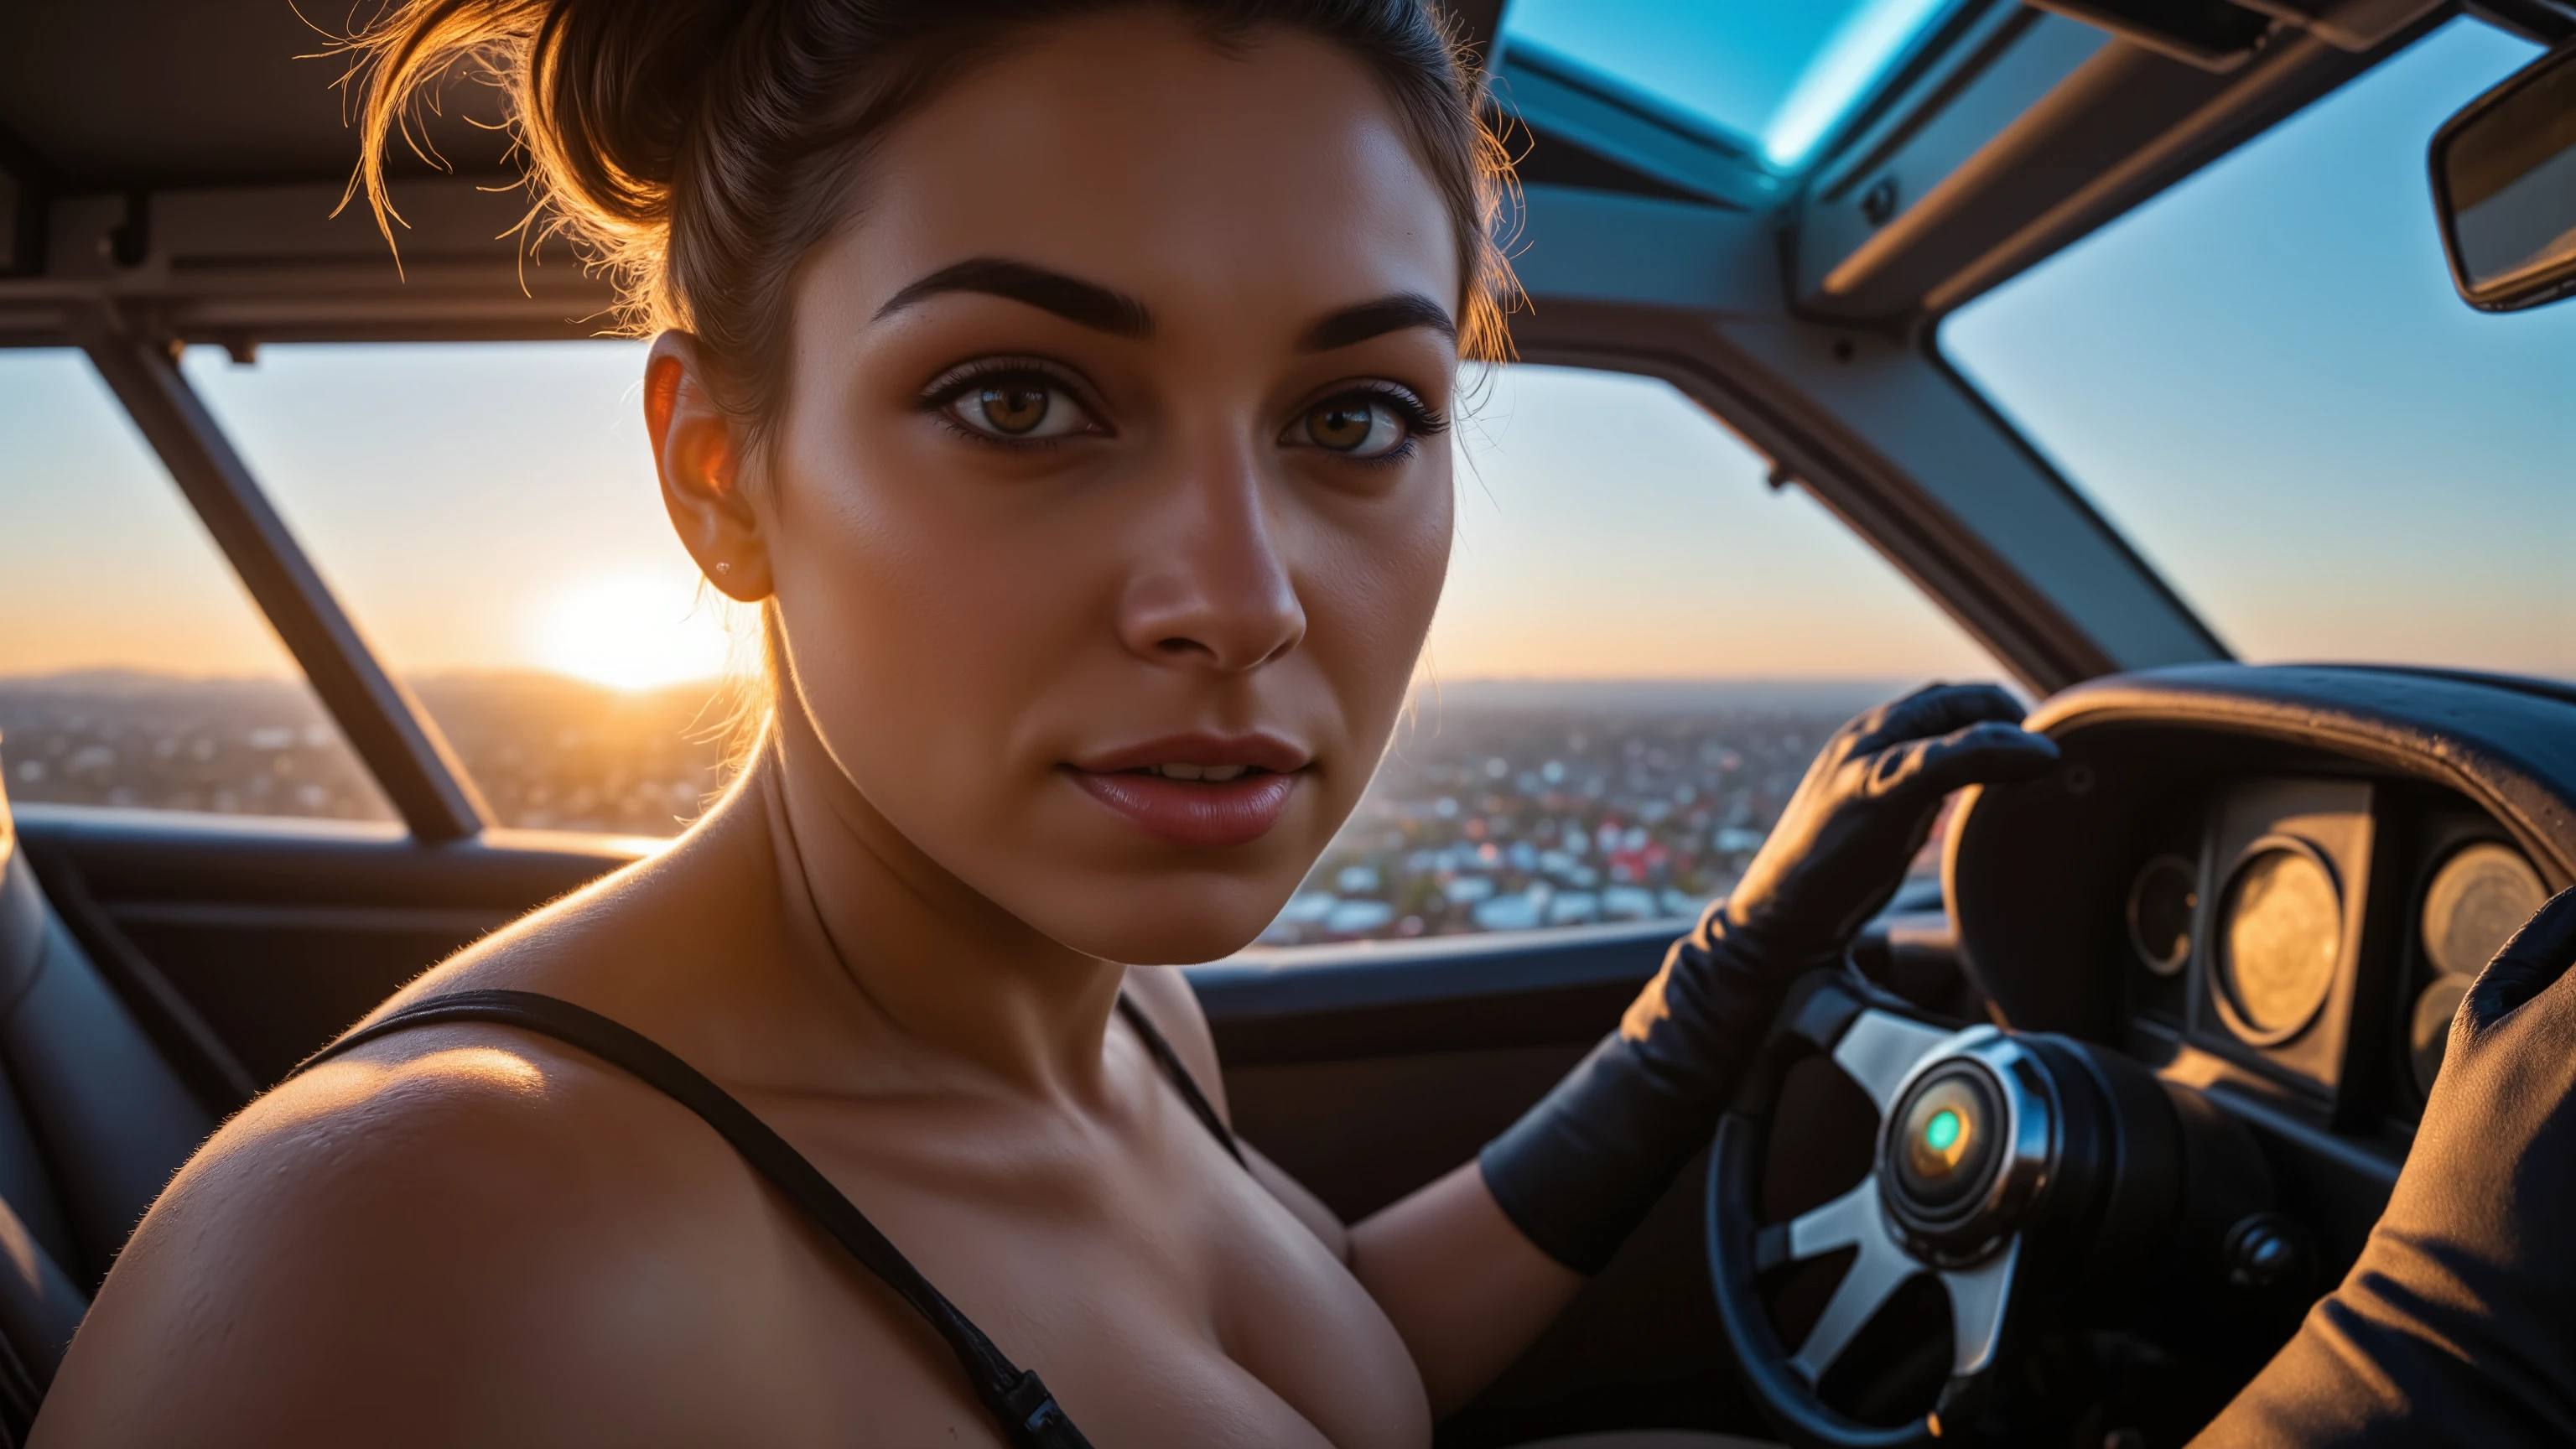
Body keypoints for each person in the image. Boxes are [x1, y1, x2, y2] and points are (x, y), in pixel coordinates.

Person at [29, 3, 2064, 1444]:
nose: (1240, 600)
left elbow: (1327, 1361)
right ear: (722, 470)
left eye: (1356, 418)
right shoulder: (428, 1253)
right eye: (1022, 399)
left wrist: (1723, 984)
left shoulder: (1114, 1008)